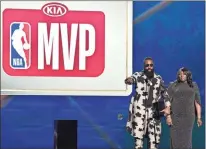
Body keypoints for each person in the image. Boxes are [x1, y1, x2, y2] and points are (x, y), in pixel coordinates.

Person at [125, 57, 171, 149]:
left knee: (153, 139)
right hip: (140, 112)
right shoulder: (138, 75)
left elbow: (165, 94)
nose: (149, 67)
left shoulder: (158, 78)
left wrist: (168, 107)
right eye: (147, 65)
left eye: (151, 65)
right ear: (144, 66)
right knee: (138, 139)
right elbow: (131, 79)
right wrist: (129, 80)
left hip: (153, 112)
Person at [166, 67, 202, 149]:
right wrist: (168, 116)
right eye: (180, 74)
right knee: (175, 140)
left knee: (187, 140)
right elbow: (167, 101)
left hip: (189, 117)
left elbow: (197, 102)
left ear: (188, 75)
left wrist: (199, 118)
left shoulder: (194, 85)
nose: (181, 76)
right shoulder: (173, 85)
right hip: (175, 117)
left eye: (184, 74)